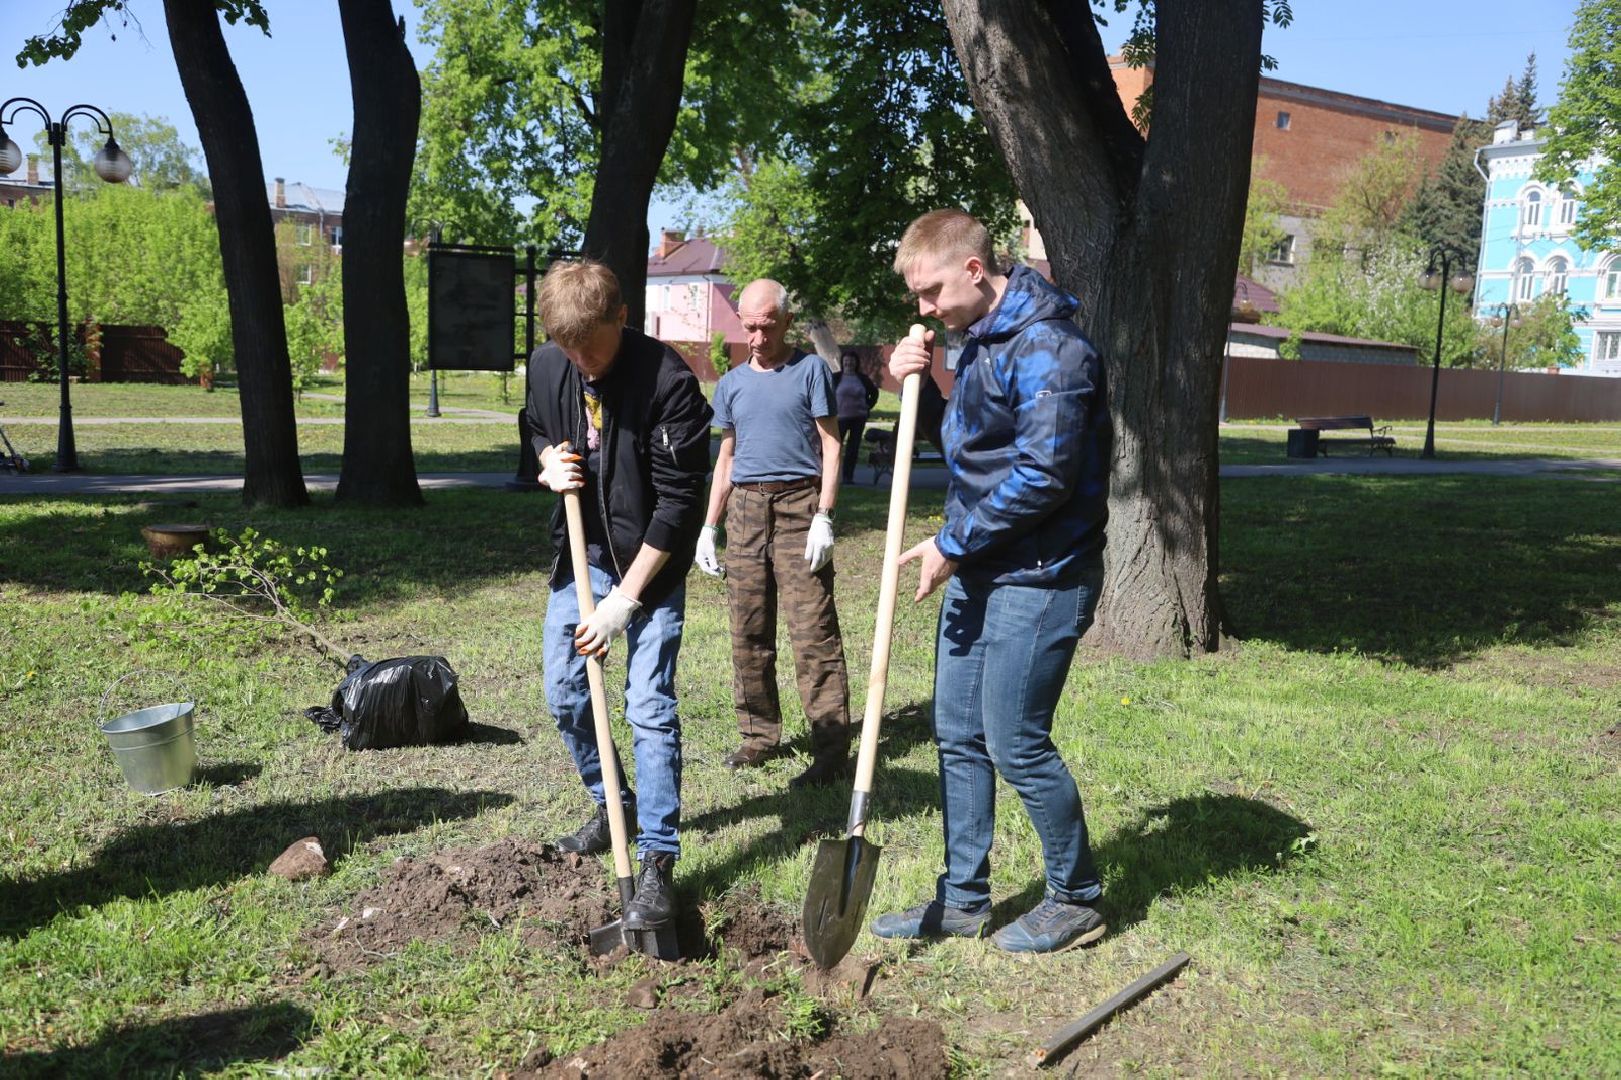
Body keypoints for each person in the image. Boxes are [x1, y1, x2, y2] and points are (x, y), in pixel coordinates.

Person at [870, 209, 1112, 954]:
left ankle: (1076, 898)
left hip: (1042, 574)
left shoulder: (1052, 349)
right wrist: (917, 382)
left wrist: (950, 541)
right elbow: (980, 443)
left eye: (932, 291)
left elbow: (1044, 474)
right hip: (984, 563)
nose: (924, 308)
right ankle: (963, 899)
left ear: (974, 270)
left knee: (1014, 742)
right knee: (956, 736)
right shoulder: (981, 341)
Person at [525, 259, 714, 932]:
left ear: (621, 317)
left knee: (647, 707)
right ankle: (612, 804)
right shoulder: (551, 366)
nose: (582, 360)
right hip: (583, 559)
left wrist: (624, 603)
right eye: (568, 347)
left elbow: (677, 507)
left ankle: (658, 861)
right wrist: (546, 459)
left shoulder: (668, 384)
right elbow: (536, 427)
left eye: (592, 345)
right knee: (564, 691)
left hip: (649, 571)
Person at [694, 279, 853, 788]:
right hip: (744, 510)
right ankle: (759, 735)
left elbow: (831, 446)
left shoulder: (809, 371)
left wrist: (824, 515)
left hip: (797, 507)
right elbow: (727, 458)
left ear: (786, 320)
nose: (756, 338)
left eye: (765, 326)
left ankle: (830, 749)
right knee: (748, 630)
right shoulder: (733, 383)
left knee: (813, 634)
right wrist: (709, 526)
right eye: (747, 327)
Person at [833, 350, 879, 484]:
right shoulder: (835, 378)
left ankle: (848, 477)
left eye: (852, 361)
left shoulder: (863, 379)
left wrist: (868, 406)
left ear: (856, 363)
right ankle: (832, 477)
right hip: (839, 419)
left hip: (859, 418)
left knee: (853, 449)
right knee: (835, 448)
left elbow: (874, 393)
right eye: (846, 360)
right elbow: (827, 393)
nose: (849, 363)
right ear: (842, 362)